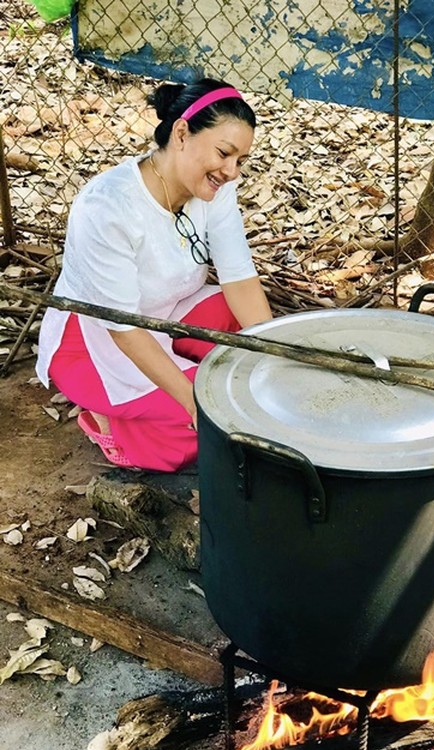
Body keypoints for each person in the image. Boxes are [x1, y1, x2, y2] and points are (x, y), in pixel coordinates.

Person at [36, 78, 272, 472]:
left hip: (172, 308)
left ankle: (181, 392)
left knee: (255, 349)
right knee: (222, 418)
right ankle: (107, 421)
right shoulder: (107, 206)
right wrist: (194, 403)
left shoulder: (215, 186)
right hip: (97, 341)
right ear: (182, 133)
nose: (231, 171)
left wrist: (276, 362)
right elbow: (123, 328)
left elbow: (240, 279)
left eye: (240, 160)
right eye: (225, 153)